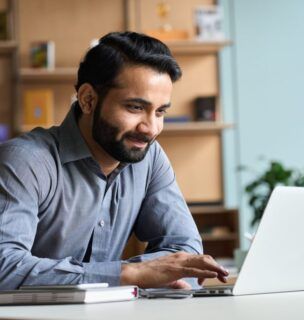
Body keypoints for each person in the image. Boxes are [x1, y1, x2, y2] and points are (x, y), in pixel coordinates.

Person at [0, 32, 228, 290]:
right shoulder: (24, 161)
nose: (151, 128)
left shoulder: (149, 158)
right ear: (88, 100)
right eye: (135, 107)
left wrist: (139, 274)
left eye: (161, 111)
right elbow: (4, 268)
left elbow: (185, 253)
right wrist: (128, 274)